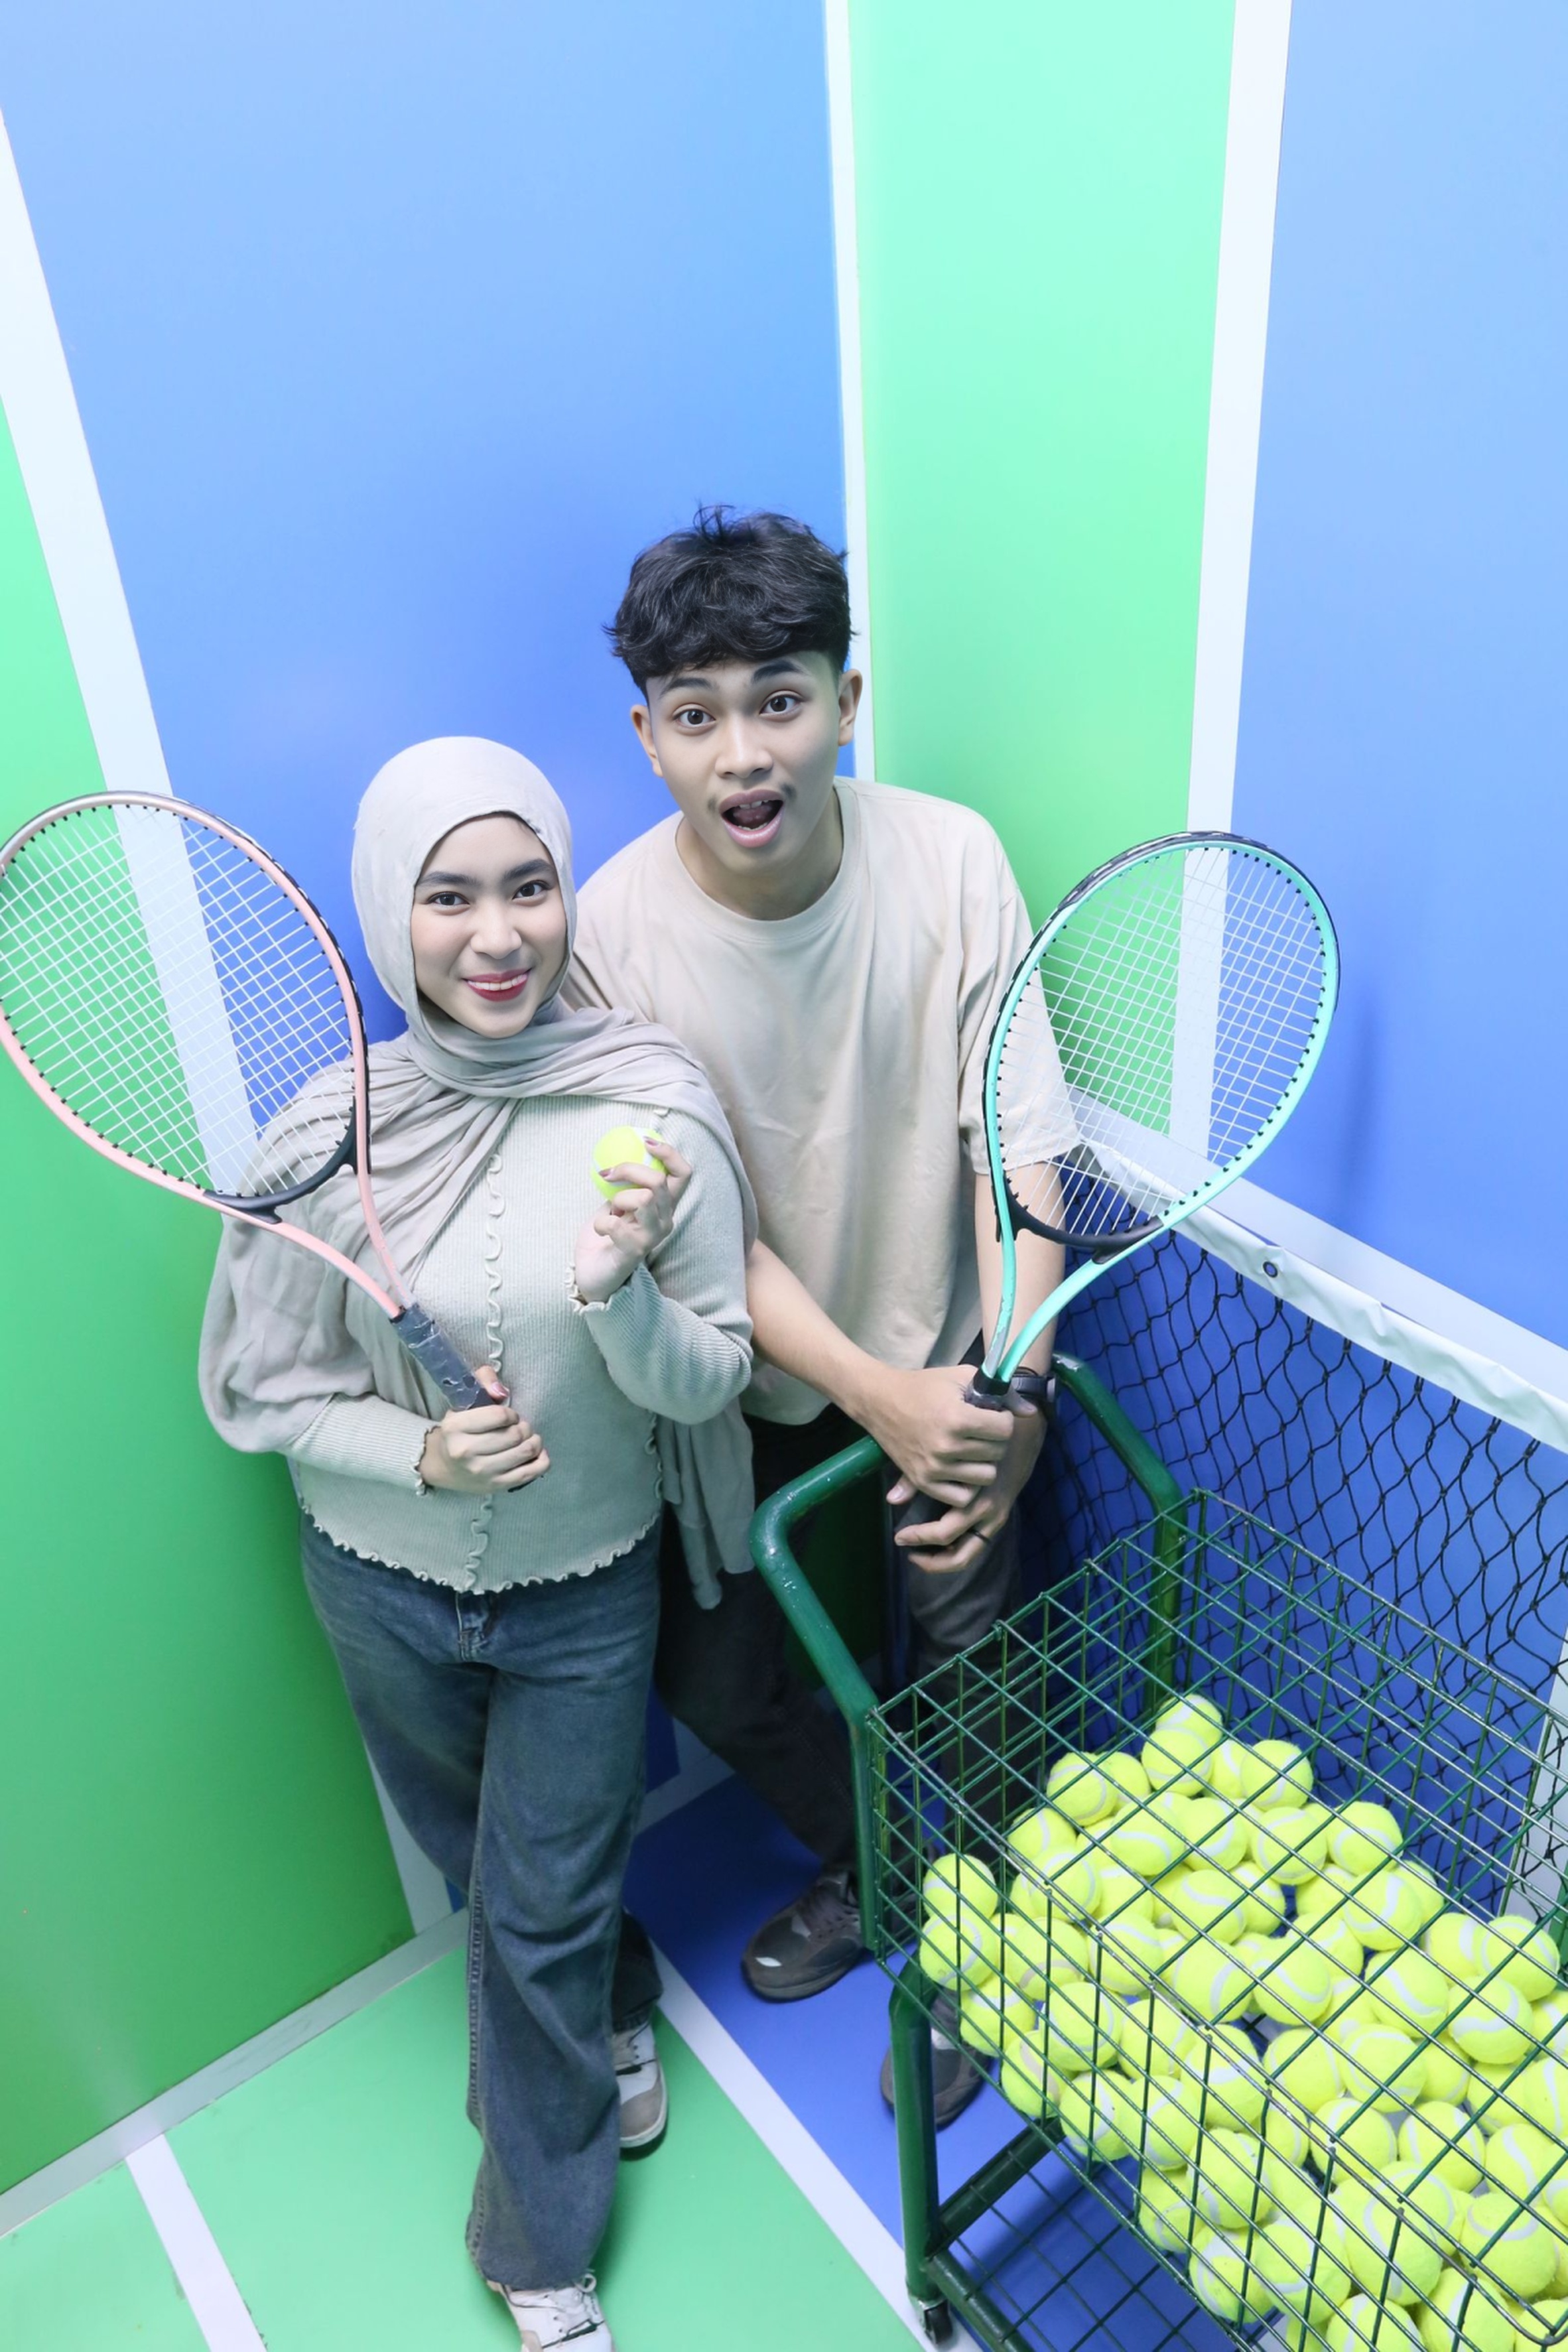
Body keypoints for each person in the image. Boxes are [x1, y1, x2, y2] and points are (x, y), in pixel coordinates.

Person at [201, 738, 753, 2352]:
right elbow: (258, 1387)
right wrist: (422, 1453)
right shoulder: (329, 1135)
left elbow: (714, 1376)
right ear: (393, 912)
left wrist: (620, 1292)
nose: (498, 936)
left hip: (588, 1590)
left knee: (534, 1918)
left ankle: (535, 2246)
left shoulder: (654, 1102)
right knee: (503, 1890)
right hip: (377, 1588)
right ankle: (622, 2000)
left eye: (529, 888)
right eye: (449, 898)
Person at [566, 509, 1065, 2123]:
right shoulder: (607, 936)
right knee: (722, 1681)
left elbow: (1019, 1155)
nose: (744, 751)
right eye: (696, 714)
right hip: (744, 1386)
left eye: (780, 699)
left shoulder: (955, 859)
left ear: (847, 699)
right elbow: (703, 1231)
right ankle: (892, 1872)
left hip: (961, 1360)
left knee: (976, 1669)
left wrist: (1007, 1399)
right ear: (648, 738)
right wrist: (874, 1395)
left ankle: (986, 1954)